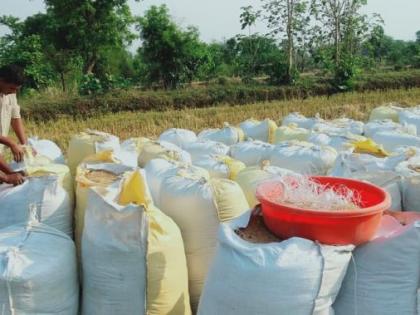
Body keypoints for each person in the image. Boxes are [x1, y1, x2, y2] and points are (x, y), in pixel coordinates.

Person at [0, 64, 29, 185]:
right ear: (1, 80)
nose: (14, 92)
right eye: (12, 88)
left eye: (16, 89)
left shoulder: (10, 93)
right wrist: (7, 177)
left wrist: (25, 145)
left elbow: (15, 117)